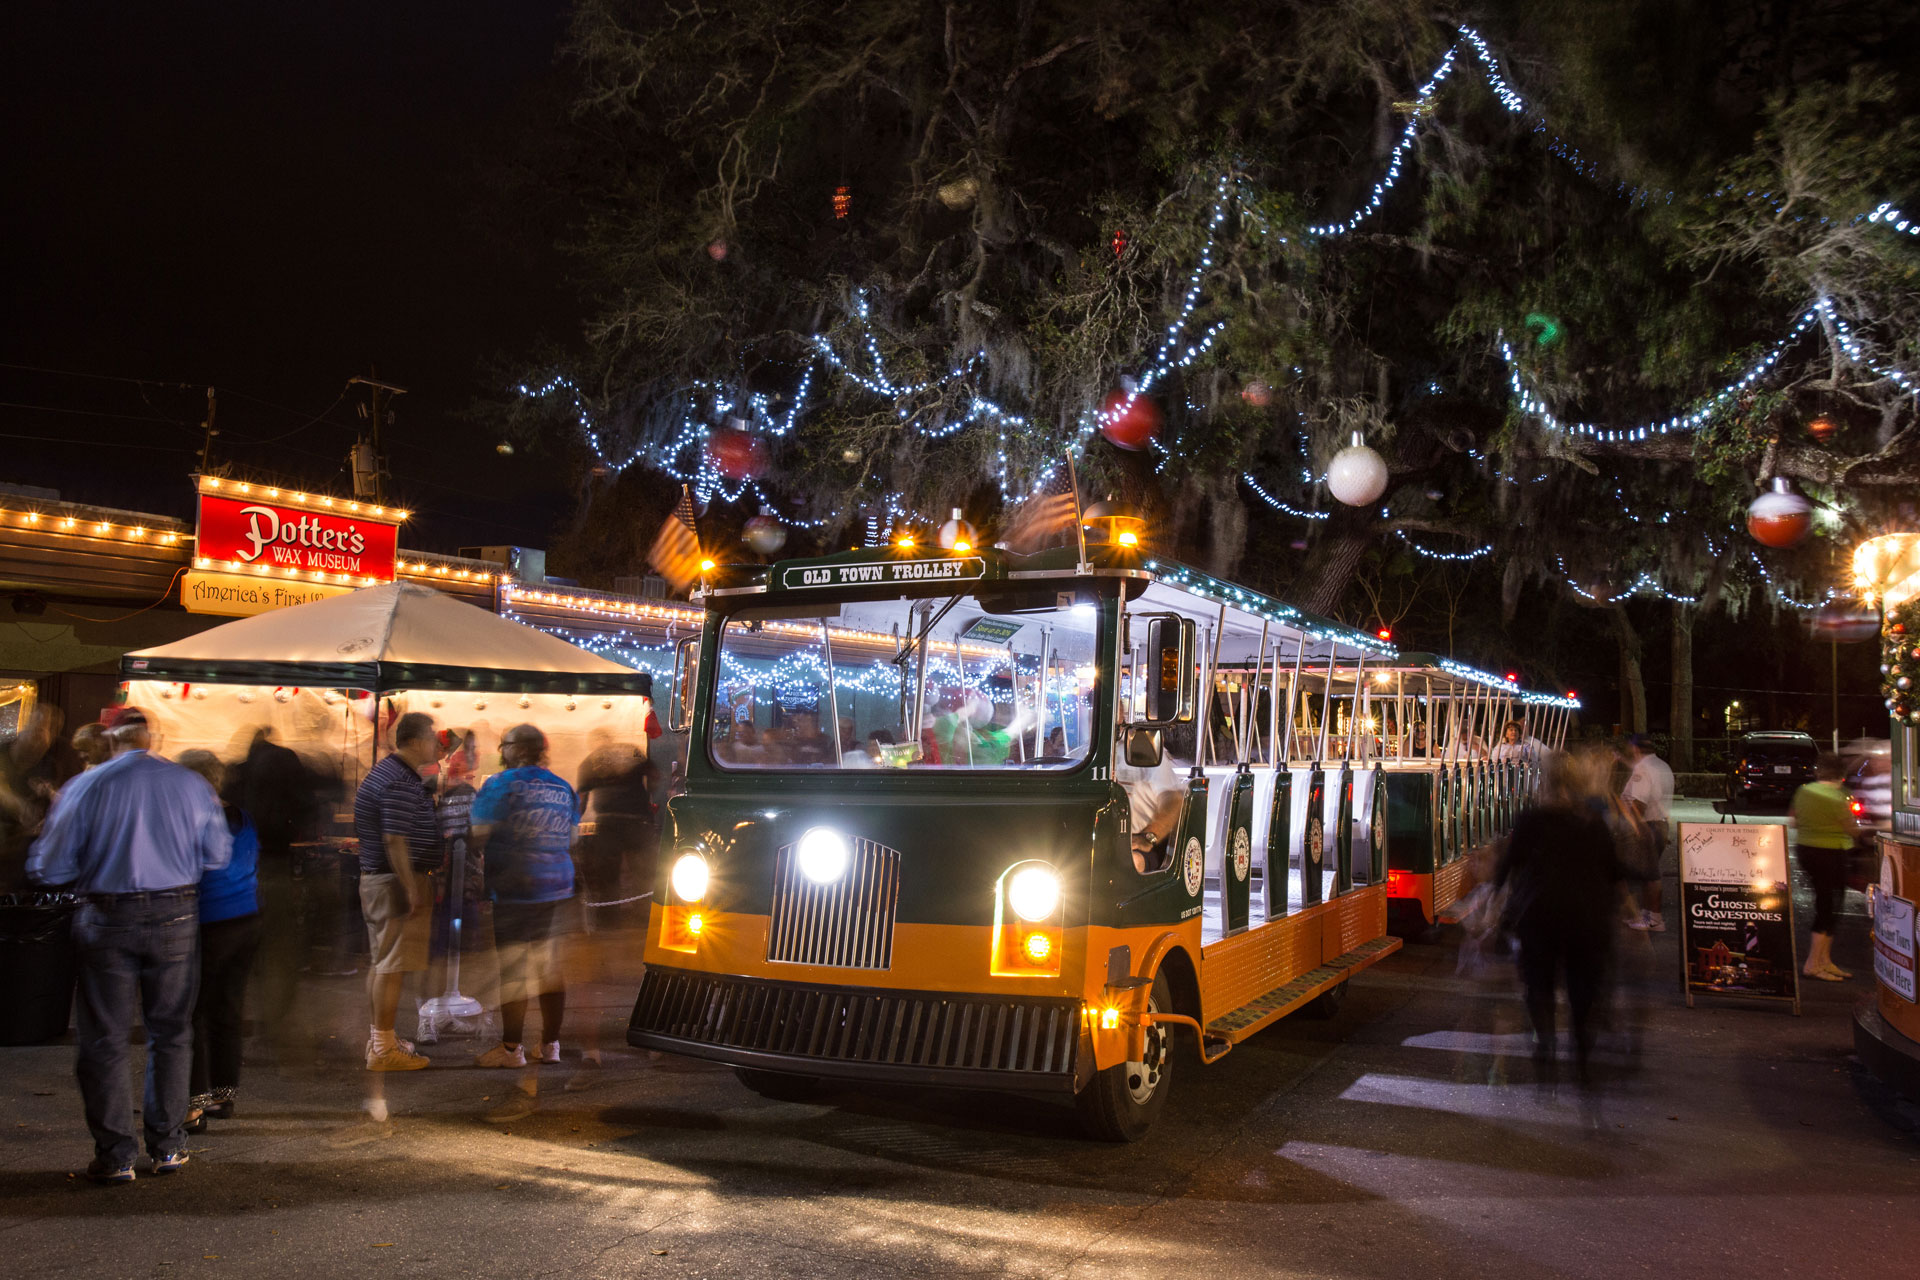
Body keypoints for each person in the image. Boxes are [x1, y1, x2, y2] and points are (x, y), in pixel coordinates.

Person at [25, 710, 231, 1183]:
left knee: (105, 1038)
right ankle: (168, 1147)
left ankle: (116, 1155)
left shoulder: (86, 786)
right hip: (177, 913)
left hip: (107, 914)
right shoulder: (190, 785)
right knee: (172, 1033)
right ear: (149, 737)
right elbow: (217, 855)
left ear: (109, 740)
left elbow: (50, 869)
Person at [1494, 750, 1632, 1085]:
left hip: (1541, 915)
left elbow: (1509, 865)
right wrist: (1629, 911)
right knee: (1582, 989)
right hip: (1586, 918)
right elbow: (1613, 872)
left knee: (1538, 985)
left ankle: (1546, 1043)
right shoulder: (1593, 822)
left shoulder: (1531, 819)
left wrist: (1495, 904)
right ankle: (1581, 1055)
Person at [472, 724, 580, 1108]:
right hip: (557, 887)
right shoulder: (563, 787)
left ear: (514, 750)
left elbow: (479, 831)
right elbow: (572, 839)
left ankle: (511, 1049)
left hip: (516, 887)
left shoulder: (501, 784)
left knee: (514, 968)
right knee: (549, 968)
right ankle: (549, 1045)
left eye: (504, 745)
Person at [176, 751, 261, 1132]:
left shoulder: (193, 819)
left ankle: (192, 1106)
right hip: (244, 920)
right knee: (226, 1010)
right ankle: (224, 1095)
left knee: (191, 1013)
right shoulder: (243, 817)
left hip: (207, 922)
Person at [353, 711, 442, 1071]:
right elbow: (394, 838)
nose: (436, 745)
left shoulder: (391, 773)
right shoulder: (400, 781)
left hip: (382, 880)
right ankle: (383, 1050)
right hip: (394, 882)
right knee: (391, 966)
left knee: (383, 963)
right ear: (417, 741)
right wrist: (411, 887)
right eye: (433, 739)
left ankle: (382, 1041)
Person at [1791, 753, 1857, 982]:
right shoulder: (1838, 796)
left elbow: (1794, 821)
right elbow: (1851, 828)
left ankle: (1825, 960)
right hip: (1832, 853)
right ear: (1841, 774)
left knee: (1827, 905)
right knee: (1829, 907)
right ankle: (1813, 963)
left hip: (1806, 850)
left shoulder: (1803, 791)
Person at [1620, 734, 1674, 932]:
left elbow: (1638, 803)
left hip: (1648, 825)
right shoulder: (1661, 765)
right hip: (1660, 823)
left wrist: (1634, 826)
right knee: (1647, 871)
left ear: (1635, 748)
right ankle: (1646, 913)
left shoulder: (1643, 768)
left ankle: (1654, 918)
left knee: (1650, 874)